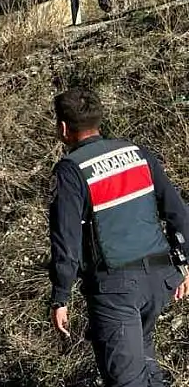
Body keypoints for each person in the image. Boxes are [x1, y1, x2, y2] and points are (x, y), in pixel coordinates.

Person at [47, 87, 189, 387]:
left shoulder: (71, 171)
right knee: (145, 367)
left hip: (116, 289)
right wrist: (184, 261)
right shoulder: (136, 153)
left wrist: (60, 296)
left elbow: (66, 240)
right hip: (159, 280)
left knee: (126, 379)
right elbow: (177, 211)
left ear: (63, 128)